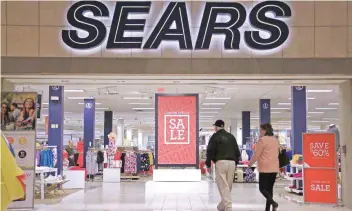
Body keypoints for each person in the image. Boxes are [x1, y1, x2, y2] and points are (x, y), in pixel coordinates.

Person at [206, 120, 241, 211]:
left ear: (216, 127)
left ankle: (228, 208)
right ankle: (222, 206)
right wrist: (236, 163)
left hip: (221, 162)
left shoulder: (215, 136)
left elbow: (210, 150)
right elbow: (237, 151)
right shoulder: (231, 136)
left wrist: (208, 164)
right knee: (228, 186)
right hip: (232, 163)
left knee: (223, 186)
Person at [249, 123, 280, 211]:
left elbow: (256, 155)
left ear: (265, 130)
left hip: (265, 168)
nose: (260, 132)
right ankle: (268, 209)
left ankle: (274, 203)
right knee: (269, 189)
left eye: (261, 130)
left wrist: (250, 163)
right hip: (274, 167)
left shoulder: (262, 140)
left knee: (262, 188)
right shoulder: (275, 140)